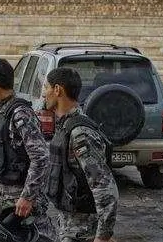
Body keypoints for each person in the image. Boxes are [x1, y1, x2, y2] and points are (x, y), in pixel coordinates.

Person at [0, 58, 56, 242]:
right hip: (3, 191)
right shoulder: (2, 108)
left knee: (41, 237)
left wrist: (28, 196)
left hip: (21, 194)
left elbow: (41, 157)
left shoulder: (20, 113)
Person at [43, 67, 118, 242]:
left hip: (83, 231)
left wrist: (103, 236)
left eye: (46, 88)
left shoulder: (80, 133)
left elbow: (105, 188)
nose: (43, 94)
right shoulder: (65, 126)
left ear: (57, 90)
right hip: (68, 225)